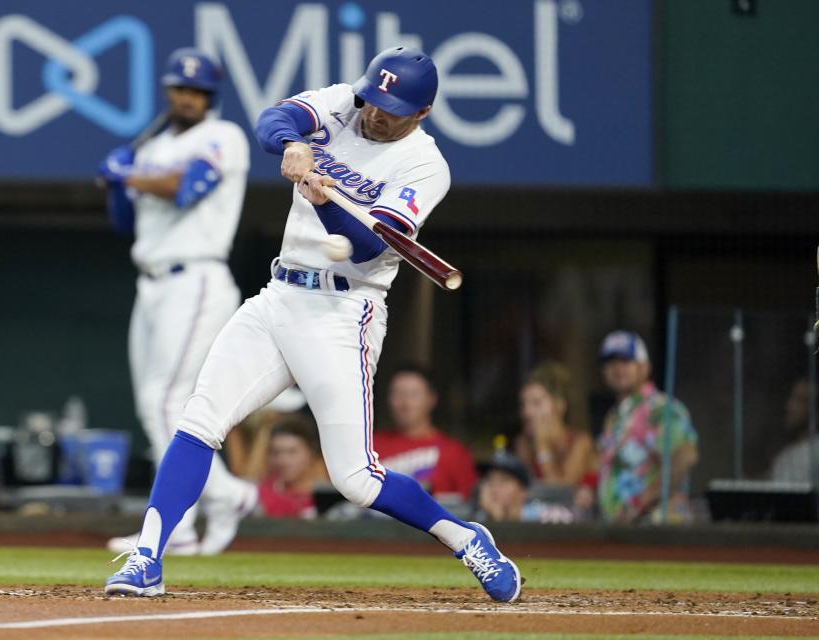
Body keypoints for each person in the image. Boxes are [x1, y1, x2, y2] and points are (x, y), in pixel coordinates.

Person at [104, 46, 521, 603]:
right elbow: (272, 120)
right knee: (198, 418)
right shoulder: (345, 103)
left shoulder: (425, 165)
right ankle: (147, 556)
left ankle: (463, 536)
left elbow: (371, 247)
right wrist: (296, 144)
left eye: (392, 108)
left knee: (356, 479)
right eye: (374, 98)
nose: (376, 113)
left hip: (344, 311)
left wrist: (324, 198)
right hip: (279, 296)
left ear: (421, 113)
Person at [98, 48, 256, 557]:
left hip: (197, 278)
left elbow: (189, 188)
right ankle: (182, 527)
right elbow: (126, 222)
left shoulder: (223, 137)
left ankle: (228, 495)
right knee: (153, 403)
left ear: (209, 96)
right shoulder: (152, 148)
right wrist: (117, 185)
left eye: (197, 91)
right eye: (180, 89)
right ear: (168, 91)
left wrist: (128, 176)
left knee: (168, 401)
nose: (187, 97)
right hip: (151, 280)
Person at [596, 330, 699, 524]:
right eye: (610, 362)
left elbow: (685, 456)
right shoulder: (615, 416)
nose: (617, 368)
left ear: (644, 367)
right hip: (620, 528)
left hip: (654, 525)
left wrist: (641, 503)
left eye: (626, 361)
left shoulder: (660, 408)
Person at [373, 365, 478, 501]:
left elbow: (469, 506)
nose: (405, 403)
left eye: (413, 394)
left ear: (432, 399)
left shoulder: (454, 452)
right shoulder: (370, 445)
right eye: (398, 394)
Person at [514, 362, 597, 512]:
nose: (526, 412)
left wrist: (542, 446)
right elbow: (527, 497)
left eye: (536, 403)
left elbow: (559, 494)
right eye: (524, 404)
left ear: (559, 405)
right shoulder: (523, 443)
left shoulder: (581, 442)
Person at [253, 415, 328, 519]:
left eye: (292, 452)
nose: (283, 461)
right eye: (275, 452)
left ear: (311, 453)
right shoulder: (259, 495)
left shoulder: (328, 497)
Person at [770, 379, 819, 484]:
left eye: (800, 400)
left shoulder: (816, 451)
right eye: (792, 399)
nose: (789, 406)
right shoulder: (785, 456)